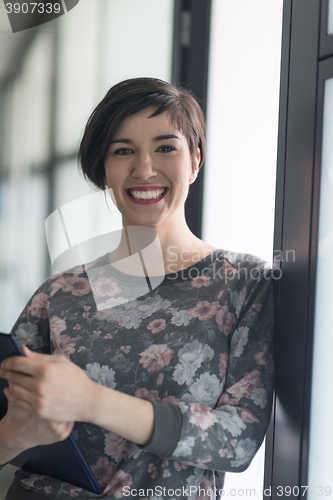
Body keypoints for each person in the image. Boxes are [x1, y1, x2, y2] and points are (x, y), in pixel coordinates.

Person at [0, 78, 274, 500]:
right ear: (104, 170)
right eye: (123, 150)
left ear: (195, 161)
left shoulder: (243, 282)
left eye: (166, 147)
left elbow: (237, 440)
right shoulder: (58, 294)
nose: (144, 169)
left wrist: (91, 401)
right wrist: (13, 436)